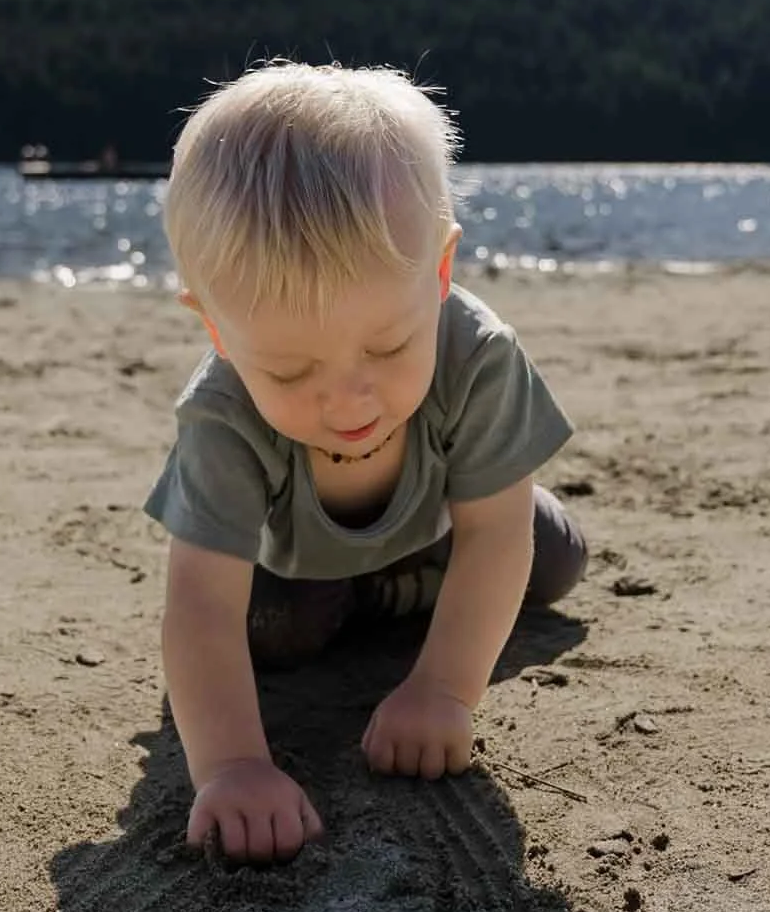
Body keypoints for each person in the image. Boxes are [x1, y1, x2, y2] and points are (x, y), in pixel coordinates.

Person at [142, 60, 587, 865]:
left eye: (389, 345)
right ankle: (379, 591)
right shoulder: (220, 413)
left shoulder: (479, 355)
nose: (349, 404)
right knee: (275, 632)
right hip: (292, 561)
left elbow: (492, 538)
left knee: (547, 560)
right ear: (214, 328)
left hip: (448, 523)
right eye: (287, 371)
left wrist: (443, 691)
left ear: (442, 273)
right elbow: (200, 604)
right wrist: (235, 766)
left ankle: (441, 542)